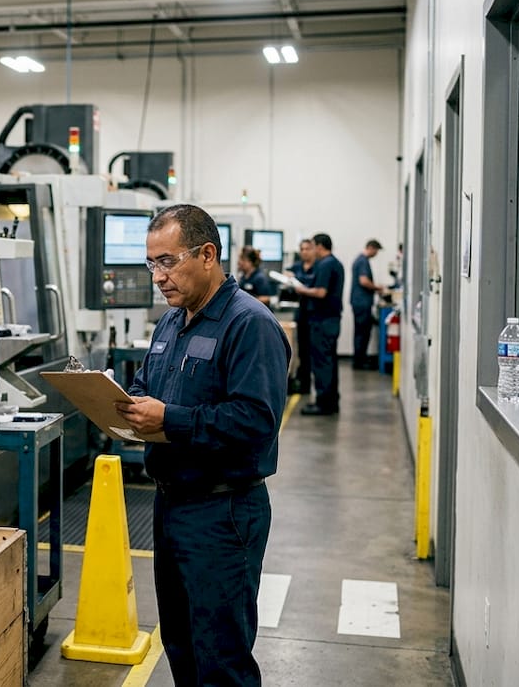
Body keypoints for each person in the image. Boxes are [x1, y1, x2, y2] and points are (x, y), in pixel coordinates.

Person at [113, 204, 289, 686]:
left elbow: (256, 421)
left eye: (168, 262)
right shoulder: (171, 323)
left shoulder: (249, 325)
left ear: (207, 254)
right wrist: (120, 408)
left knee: (221, 656)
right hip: (171, 505)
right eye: (152, 264)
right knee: (182, 644)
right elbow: (147, 387)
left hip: (223, 512)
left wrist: (171, 419)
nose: (158, 276)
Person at [294, 233, 344, 415]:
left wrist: (302, 290)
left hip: (321, 321)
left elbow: (321, 292)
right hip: (330, 320)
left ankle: (323, 403)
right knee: (329, 362)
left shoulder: (325, 265)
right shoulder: (335, 263)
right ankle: (331, 401)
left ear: (320, 247)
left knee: (322, 363)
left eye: (313, 246)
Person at [350, 239, 387, 370]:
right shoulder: (363, 261)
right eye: (376, 251)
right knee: (362, 332)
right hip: (362, 302)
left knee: (361, 332)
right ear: (371, 248)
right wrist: (378, 288)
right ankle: (360, 362)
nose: (376, 254)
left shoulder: (360, 260)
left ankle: (360, 359)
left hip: (360, 301)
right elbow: (364, 281)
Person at [286, 238, 316, 395]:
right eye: (302, 249)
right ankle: (302, 382)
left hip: (315, 315)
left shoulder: (318, 268)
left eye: (307, 249)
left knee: (313, 351)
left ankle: (308, 382)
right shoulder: (297, 267)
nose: (304, 252)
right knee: (302, 350)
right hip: (302, 313)